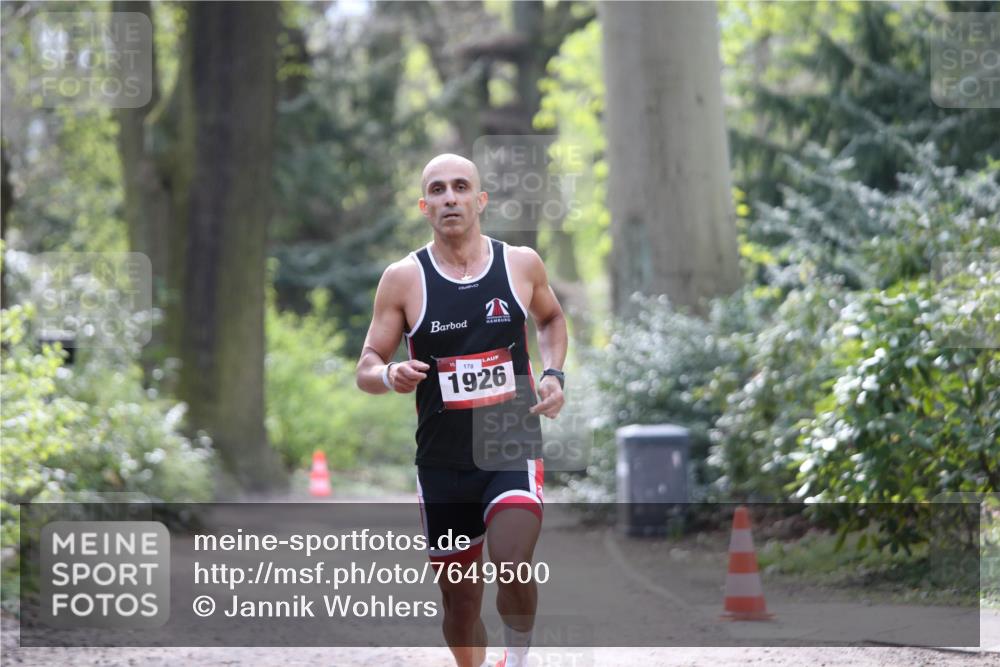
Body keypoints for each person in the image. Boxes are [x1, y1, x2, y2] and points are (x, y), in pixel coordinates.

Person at [356, 153, 568, 667]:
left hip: (508, 443)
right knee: (460, 601)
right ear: (424, 206)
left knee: (513, 563)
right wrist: (389, 374)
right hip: (442, 460)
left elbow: (551, 319)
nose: (449, 197)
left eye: (460, 187)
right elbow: (366, 366)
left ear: (480, 199)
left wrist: (553, 374)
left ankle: (516, 660)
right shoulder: (404, 278)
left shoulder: (520, 264)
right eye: (437, 190)